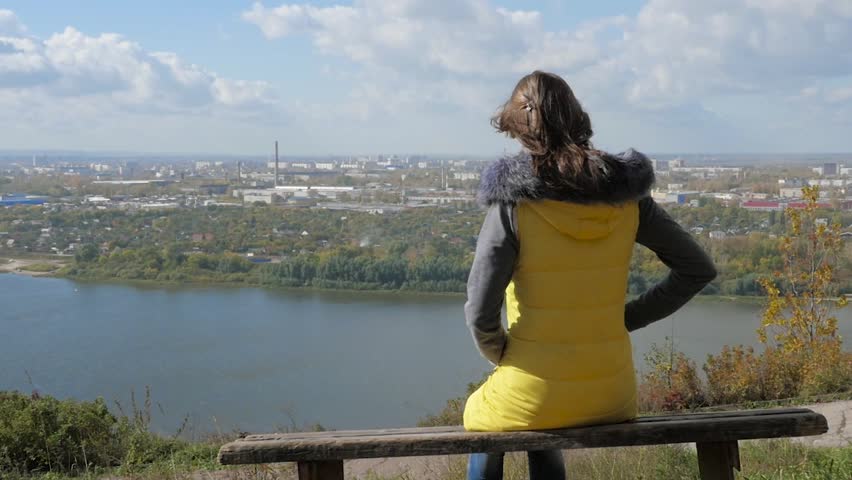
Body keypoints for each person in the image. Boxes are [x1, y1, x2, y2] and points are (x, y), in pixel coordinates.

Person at [463, 71, 717, 480]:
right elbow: (697, 269)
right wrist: (621, 321)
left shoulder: (512, 206)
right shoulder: (628, 198)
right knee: (539, 419)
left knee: (483, 418)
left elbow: (479, 311)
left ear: (520, 128)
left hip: (534, 391)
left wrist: (502, 354)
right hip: (612, 395)